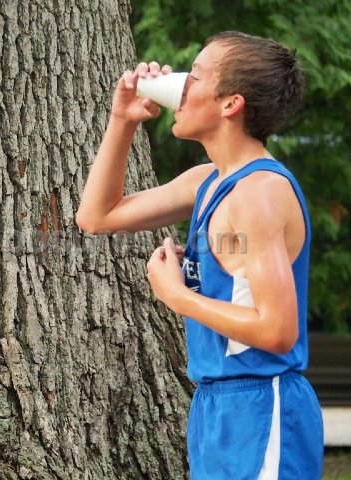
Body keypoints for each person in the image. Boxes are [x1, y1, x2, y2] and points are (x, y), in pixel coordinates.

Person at [76, 31, 323, 478]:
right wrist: (123, 120)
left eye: (196, 75)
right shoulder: (207, 181)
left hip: (262, 406)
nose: (180, 84)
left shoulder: (259, 193)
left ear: (231, 104)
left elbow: (278, 331)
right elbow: (97, 216)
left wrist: (176, 295)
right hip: (215, 408)